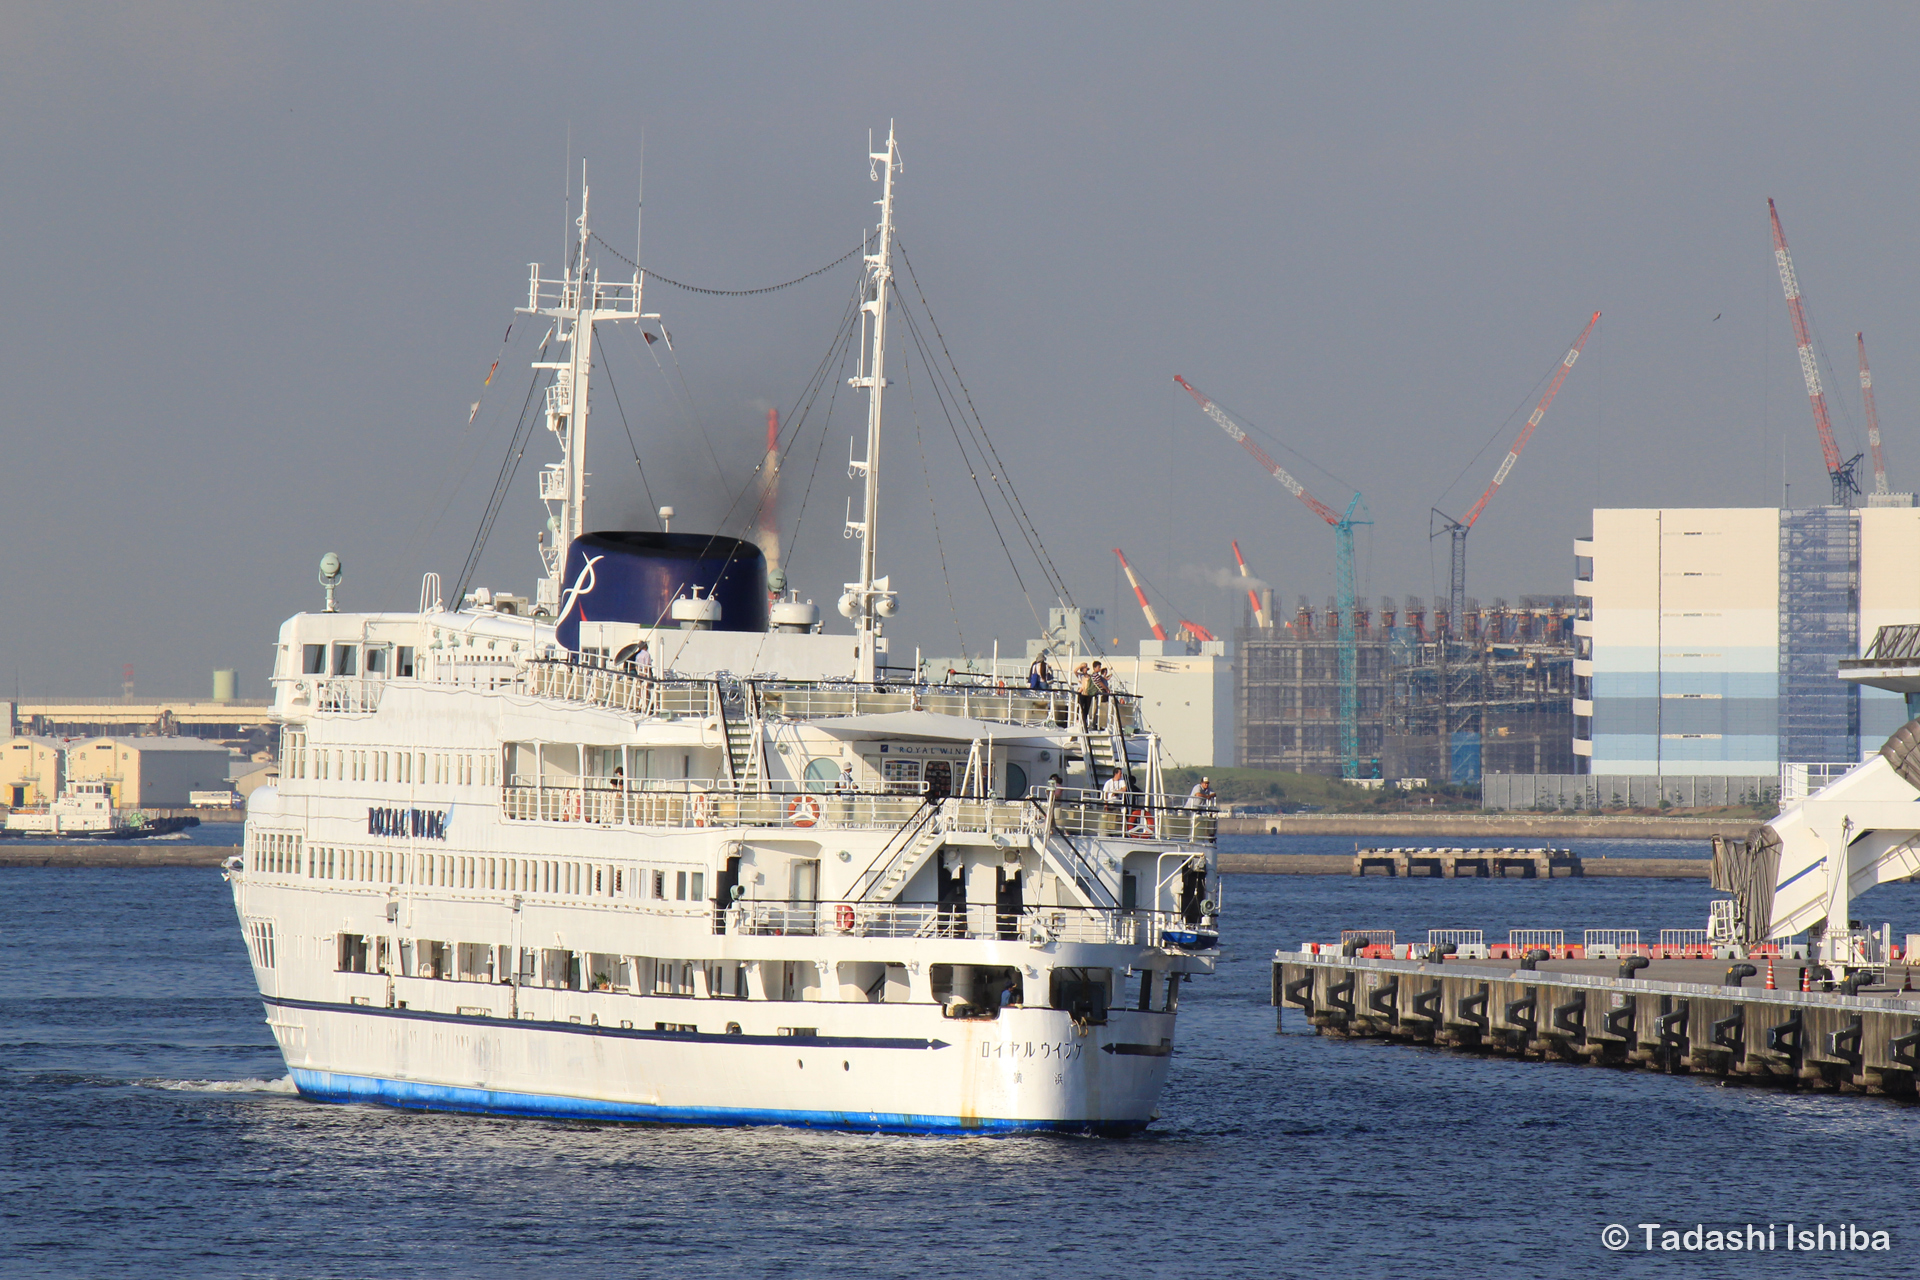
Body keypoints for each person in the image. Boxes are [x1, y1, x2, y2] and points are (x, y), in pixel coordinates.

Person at [1075, 663, 1095, 728]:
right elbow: (1075, 671)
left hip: (1088, 693)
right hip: (1081, 692)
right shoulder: (1080, 675)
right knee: (1080, 705)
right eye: (1084, 668)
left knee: (1087, 707)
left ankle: (1084, 720)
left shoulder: (1089, 676)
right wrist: (1080, 666)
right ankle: (1078, 719)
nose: (1085, 669)